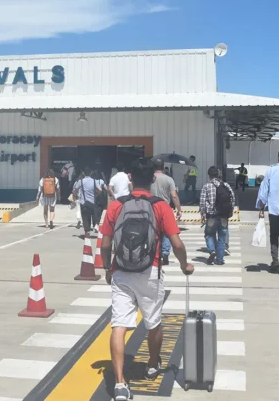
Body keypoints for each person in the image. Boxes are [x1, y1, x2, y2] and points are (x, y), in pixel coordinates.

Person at [100, 157, 194, 401]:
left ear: (130, 178)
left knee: (119, 325)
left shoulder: (115, 206)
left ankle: (120, 383)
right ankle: (153, 364)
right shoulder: (160, 206)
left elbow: (106, 243)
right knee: (153, 322)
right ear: (153, 178)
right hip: (150, 272)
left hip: (121, 271)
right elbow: (176, 243)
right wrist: (185, 264)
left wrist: (107, 269)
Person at [199, 166, 236, 265]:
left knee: (209, 234)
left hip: (211, 216)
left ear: (209, 176)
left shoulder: (206, 186)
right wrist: (230, 210)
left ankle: (212, 250)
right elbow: (232, 198)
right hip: (223, 216)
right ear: (218, 175)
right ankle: (220, 260)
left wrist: (202, 214)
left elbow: (202, 202)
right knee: (222, 237)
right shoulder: (226, 185)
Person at [150, 158, 182, 266]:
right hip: (164, 208)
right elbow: (174, 195)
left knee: (153, 232)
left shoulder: (150, 179)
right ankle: (164, 253)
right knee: (167, 233)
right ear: (163, 167)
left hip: (151, 208)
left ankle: (153, 253)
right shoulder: (169, 179)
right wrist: (179, 209)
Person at [73, 167, 99, 235]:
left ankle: (87, 232)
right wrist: (96, 195)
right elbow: (100, 190)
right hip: (92, 202)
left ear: (84, 173)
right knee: (92, 215)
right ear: (91, 173)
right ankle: (95, 225)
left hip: (83, 203)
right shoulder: (94, 181)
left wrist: (75, 195)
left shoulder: (80, 181)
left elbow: (75, 190)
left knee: (85, 218)